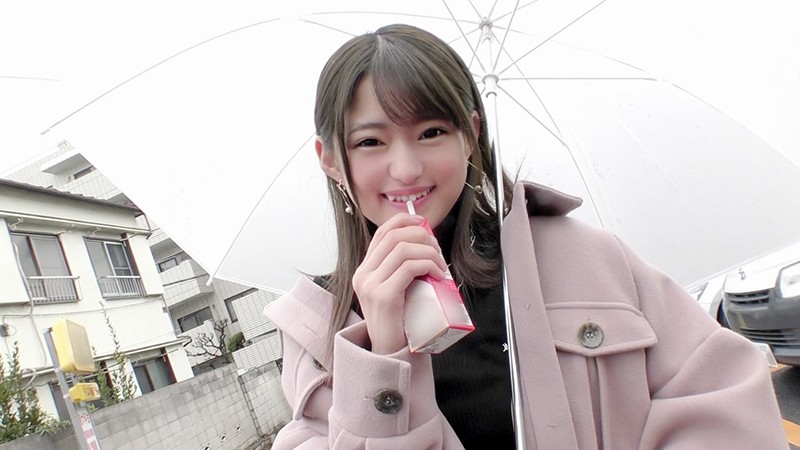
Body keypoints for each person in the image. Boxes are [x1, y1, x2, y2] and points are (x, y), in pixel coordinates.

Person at [263, 23, 786, 449]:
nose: (406, 168)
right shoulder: (315, 331)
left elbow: (723, 399)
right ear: (331, 160)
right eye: (370, 142)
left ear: (471, 134)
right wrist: (382, 353)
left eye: (432, 132)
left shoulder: (580, 256)